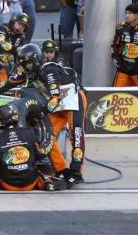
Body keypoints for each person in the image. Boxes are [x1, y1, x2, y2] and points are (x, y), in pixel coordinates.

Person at [16, 44, 86, 188]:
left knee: (76, 134)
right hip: (59, 105)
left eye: (27, 63)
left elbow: (54, 90)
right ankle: (61, 169)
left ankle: (76, 173)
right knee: (46, 134)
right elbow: (12, 82)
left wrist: (47, 106)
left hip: (73, 99)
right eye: (24, 64)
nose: (26, 67)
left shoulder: (48, 68)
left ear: (35, 60)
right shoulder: (34, 73)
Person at [0, 104, 66, 192]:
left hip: (8, 184)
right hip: (30, 183)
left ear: (0, 119)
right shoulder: (30, 132)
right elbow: (38, 154)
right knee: (38, 172)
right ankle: (46, 182)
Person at [111, 4, 138, 87]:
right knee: (115, 94)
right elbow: (114, 45)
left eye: (130, 13)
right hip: (123, 69)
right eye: (126, 13)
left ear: (137, 14)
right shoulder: (120, 28)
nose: (127, 16)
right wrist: (116, 60)